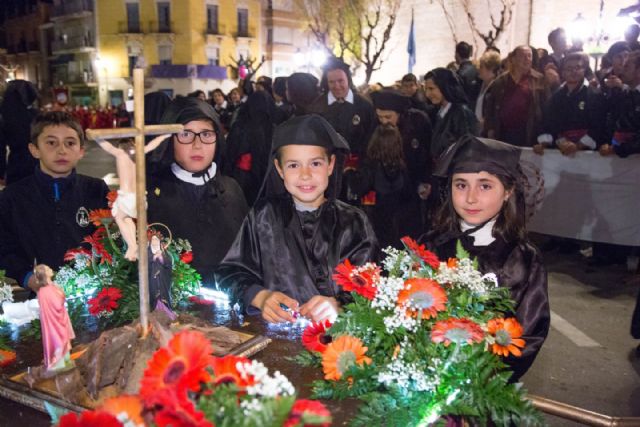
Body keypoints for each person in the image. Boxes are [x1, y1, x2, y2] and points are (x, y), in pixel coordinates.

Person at [216, 114, 378, 323]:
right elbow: (230, 272)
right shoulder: (263, 217)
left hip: (338, 343)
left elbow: (369, 285)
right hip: (276, 340)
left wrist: (339, 304)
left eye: (316, 164)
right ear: (279, 169)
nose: (305, 175)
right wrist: (260, 296)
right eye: (293, 165)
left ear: (331, 165)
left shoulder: (354, 222)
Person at [422, 135, 549, 382]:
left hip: (486, 387)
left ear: (508, 191)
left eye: (485, 186)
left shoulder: (522, 259)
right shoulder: (430, 245)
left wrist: (482, 375)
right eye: (461, 185)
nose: (470, 198)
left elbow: (529, 334)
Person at [0, 111, 109, 293]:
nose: (62, 150)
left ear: (81, 151)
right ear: (34, 149)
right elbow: (4, 246)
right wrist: (27, 277)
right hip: (39, 297)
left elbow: (110, 241)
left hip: (93, 295)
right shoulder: (13, 197)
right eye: (51, 143)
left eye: (70, 143)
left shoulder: (96, 190)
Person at [147, 96, 248, 285]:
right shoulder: (151, 193)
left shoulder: (232, 188)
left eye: (206, 134)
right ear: (169, 141)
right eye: (186, 134)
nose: (197, 145)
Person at [93, 134, 170, 261]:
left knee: (120, 218)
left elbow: (107, 146)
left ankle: (132, 245)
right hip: (140, 197)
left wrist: (97, 137)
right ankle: (134, 246)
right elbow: (153, 144)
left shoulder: (120, 154)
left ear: (121, 147)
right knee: (128, 219)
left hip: (127, 196)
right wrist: (164, 135)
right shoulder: (139, 153)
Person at [535, 52, 607, 156]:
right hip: (561, 150)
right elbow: (548, 124)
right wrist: (544, 144)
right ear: (562, 72)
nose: (574, 71)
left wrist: (578, 145)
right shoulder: (556, 97)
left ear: (584, 70)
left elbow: (599, 126)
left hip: (587, 154)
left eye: (578, 67)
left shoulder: (595, 95)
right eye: (569, 68)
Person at [484, 45, 550, 147]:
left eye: (529, 56)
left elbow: (546, 108)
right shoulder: (501, 81)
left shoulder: (539, 80)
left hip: (528, 133)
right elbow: (490, 108)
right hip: (503, 134)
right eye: (522, 56)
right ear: (513, 59)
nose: (527, 59)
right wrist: (490, 128)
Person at [224, 90, 275, 205]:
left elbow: (230, 154)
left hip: (241, 178)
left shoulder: (240, 125)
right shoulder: (272, 128)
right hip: (267, 178)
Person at [424, 68, 478, 159]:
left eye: (431, 88)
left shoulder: (461, 113)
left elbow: (468, 149)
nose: (427, 94)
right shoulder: (439, 112)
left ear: (445, 86)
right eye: (426, 89)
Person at [33, 264, 75, 373]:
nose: (51, 269)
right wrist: (61, 293)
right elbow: (57, 304)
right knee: (60, 340)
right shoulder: (49, 290)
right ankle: (59, 364)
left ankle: (63, 362)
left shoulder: (42, 291)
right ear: (44, 274)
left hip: (52, 320)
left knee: (58, 340)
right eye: (48, 269)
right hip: (56, 321)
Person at [0, 80, 39, 185]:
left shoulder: (4, 117)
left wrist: (1, 173)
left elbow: (1, 148)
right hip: (39, 164)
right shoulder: (37, 116)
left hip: (16, 165)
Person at [475, 50, 502, 131]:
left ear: (491, 69)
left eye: (481, 67)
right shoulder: (482, 84)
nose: (479, 69)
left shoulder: (497, 87)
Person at [148, 233, 173, 309]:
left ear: (159, 241)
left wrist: (162, 258)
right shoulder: (147, 252)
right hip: (152, 279)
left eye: (156, 239)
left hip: (163, 280)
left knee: (164, 295)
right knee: (153, 294)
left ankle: (167, 313)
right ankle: (154, 311)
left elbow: (169, 264)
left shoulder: (165, 253)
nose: (155, 241)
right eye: (153, 239)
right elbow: (144, 264)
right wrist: (154, 257)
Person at [455, 41, 482, 106]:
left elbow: (458, 97)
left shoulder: (459, 74)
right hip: (477, 108)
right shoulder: (478, 70)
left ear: (457, 55)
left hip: (465, 110)